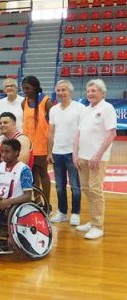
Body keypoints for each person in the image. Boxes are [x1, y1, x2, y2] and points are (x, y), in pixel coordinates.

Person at [73, 79, 116, 240]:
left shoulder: (107, 108)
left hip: (97, 159)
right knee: (86, 189)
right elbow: (78, 134)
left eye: (94, 91)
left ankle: (98, 226)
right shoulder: (85, 110)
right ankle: (92, 222)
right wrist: (75, 154)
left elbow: (112, 134)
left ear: (102, 93)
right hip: (82, 157)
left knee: (95, 190)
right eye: (88, 91)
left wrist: (97, 155)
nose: (90, 93)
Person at [48, 80, 85, 225]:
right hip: (57, 152)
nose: (61, 93)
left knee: (75, 185)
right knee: (59, 185)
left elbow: (83, 132)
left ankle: (76, 213)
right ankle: (62, 212)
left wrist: (79, 152)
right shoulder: (53, 110)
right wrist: (49, 152)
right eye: (58, 90)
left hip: (73, 153)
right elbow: (51, 133)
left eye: (64, 90)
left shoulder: (80, 108)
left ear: (70, 91)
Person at [22, 76, 54, 206]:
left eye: (27, 88)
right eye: (23, 88)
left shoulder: (46, 101)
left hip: (42, 145)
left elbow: (53, 123)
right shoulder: (23, 102)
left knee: (43, 174)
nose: (25, 90)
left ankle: (47, 204)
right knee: (33, 175)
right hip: (28, 146)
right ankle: (38, 202)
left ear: (35, 87)